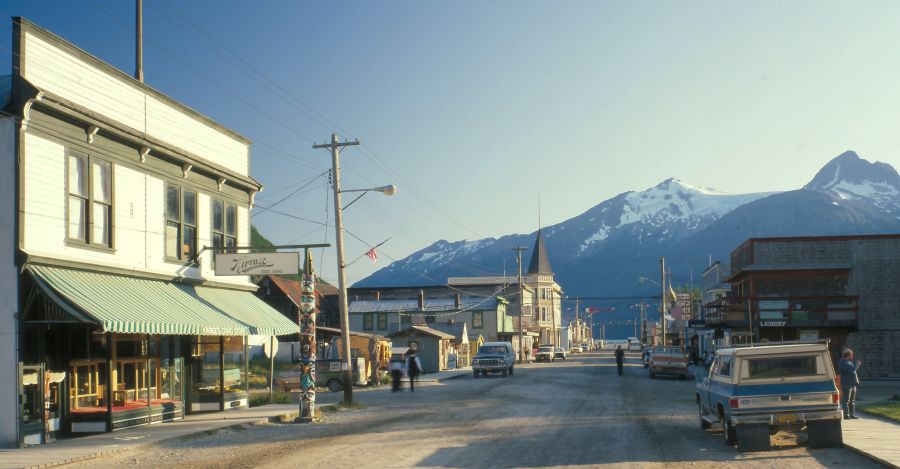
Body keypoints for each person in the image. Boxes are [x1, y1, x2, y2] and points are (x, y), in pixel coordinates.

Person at [838, 348, 862, 419]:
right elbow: (853, 370)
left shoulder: (849, 362)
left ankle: (852, 414)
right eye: (851, 355)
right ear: (847, 355)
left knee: (852, 400)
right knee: (846, 401)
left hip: (852, 384)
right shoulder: (842, 363)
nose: (852, 357)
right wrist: (857, 364)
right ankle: (846, 415)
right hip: (846, 384)